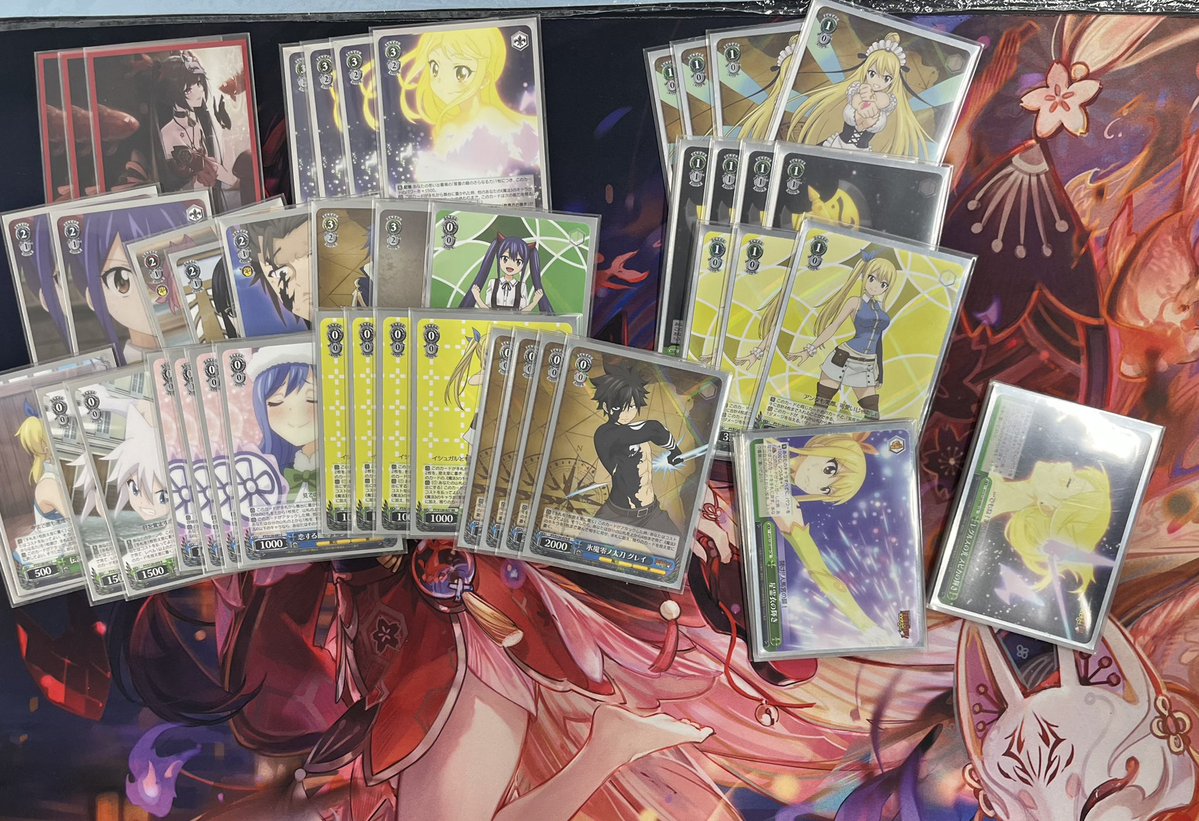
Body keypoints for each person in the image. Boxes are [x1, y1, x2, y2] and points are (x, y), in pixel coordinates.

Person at [784, 253, 900, 420]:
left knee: (873, 416)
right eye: (872, 279)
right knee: (818, 411)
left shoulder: (880, 309)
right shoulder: (855, 302)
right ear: (864, 276)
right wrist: (809, 350)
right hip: (843, 359)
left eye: (883, 284)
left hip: (866, 365)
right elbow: (834, 325)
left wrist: (880, 372)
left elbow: (878, 342)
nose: (876, 286)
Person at [787, 33, 932, 159]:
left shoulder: (888, 101)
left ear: (893, 80)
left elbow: (884, 101)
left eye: (886, 78)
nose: (877, 82)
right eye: (872, 73)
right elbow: (856, 103)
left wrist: (872, 102)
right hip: (836, 146)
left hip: (861, 156)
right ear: (866, 70)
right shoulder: (857, 91)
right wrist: (863, 103)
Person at [590, 362, 684, 533]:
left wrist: (674, 451)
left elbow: (655, 431)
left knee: (679, 548)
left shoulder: (635, 432)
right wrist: (673, 449)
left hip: (651, 514)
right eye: (618, 407)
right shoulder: (605, 434)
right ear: (606, 407)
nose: (626, 413)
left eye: (631, 407)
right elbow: (653, 429)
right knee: (581, 547)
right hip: (617, 515)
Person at [462, 235, 549, 313]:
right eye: (505, 258)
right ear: (499, 258)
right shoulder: (493, 283)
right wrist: (477, 297)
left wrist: (534, 302)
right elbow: (487, 310)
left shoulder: (521, 287)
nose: (510, 264)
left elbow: (523, 313)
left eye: (518, 261)